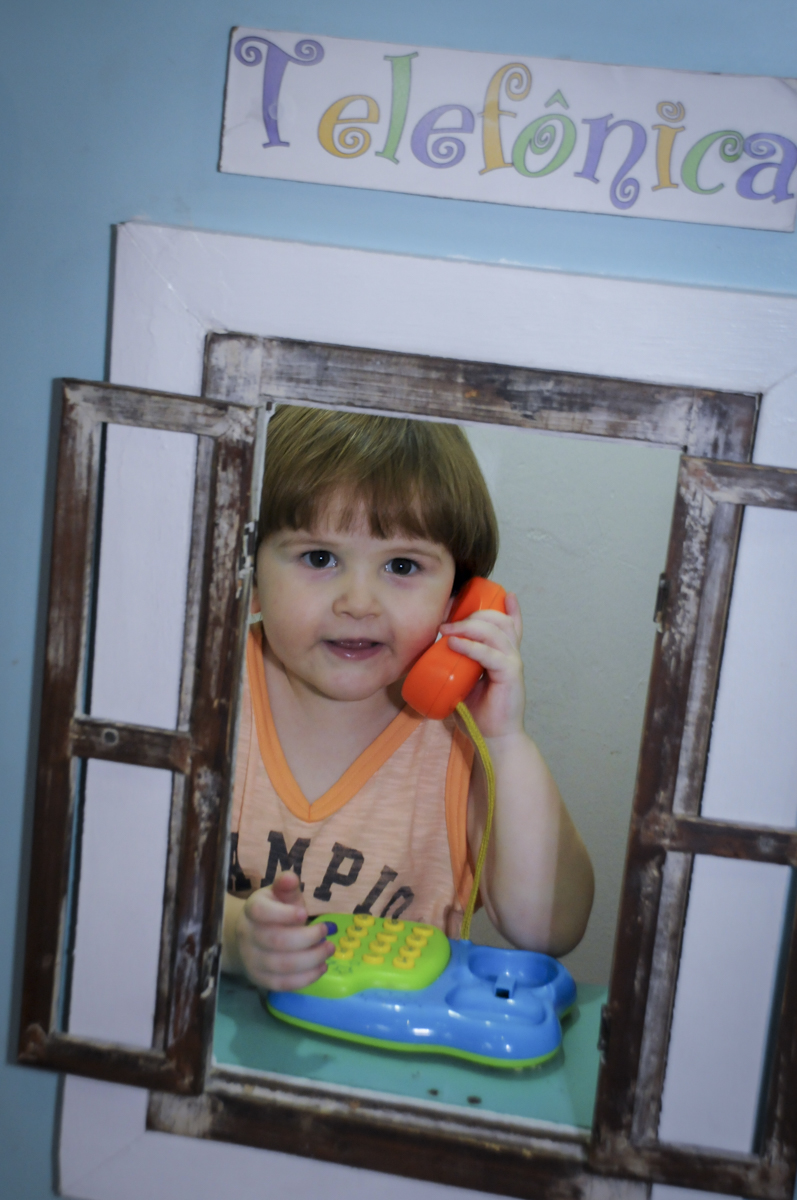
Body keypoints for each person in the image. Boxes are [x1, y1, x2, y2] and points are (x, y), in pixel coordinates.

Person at [221, 406, 594, 992]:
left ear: (461, 597)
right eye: (319, 558)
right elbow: (129, 880)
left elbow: (548, 929)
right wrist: (236, 938)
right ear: (248, 568)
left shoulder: (460, 741)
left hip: (394, 1063)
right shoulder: (205, 693)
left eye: (402, 565)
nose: (359, 602)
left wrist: (505, 740)